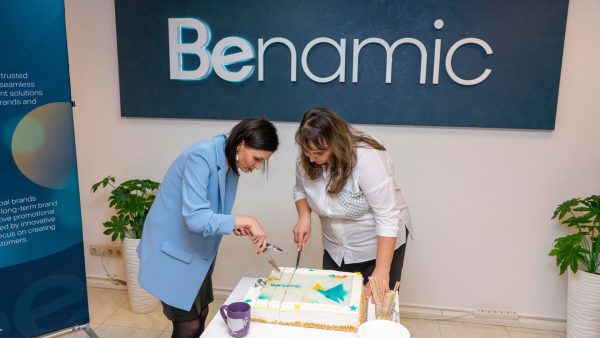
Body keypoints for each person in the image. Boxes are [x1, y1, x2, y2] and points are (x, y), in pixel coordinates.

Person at [138, 118, 279, 338]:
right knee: (189, 325)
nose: (258, 166)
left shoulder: (230, 163)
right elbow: (195, 218)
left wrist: (233, 225)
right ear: (241, 143)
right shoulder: (201, 156)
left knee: (202, 313)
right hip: (173, 253)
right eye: (257, 159)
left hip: (195, 253)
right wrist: (246, 220)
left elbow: (210, 214)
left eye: (264, 162)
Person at [292, 108, 413, 298]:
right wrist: (304, 216)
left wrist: (382, 270)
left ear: (336, 143)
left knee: (375, 307)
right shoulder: (307, 160)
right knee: (336, 302)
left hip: (377, 245)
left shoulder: (366, 157)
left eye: (318, 152)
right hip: (335, 247)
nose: (312, 158)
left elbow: (387, 216)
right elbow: (300, 189)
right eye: (307, 151)